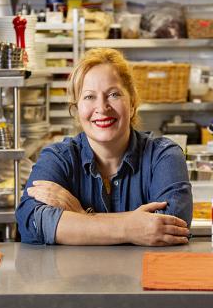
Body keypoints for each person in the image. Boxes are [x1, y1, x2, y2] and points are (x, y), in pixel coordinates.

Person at [16, 48, 192, 246]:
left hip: (147, 276)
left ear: (132, 103)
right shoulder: (58, 158)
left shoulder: (163, 155)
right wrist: (131, 228)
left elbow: (174, 224)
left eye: (114, 94)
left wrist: (81, 215)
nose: (102, 107)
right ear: (76, 109)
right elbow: (31, 223)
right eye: (89, 97)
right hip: (72, 276)